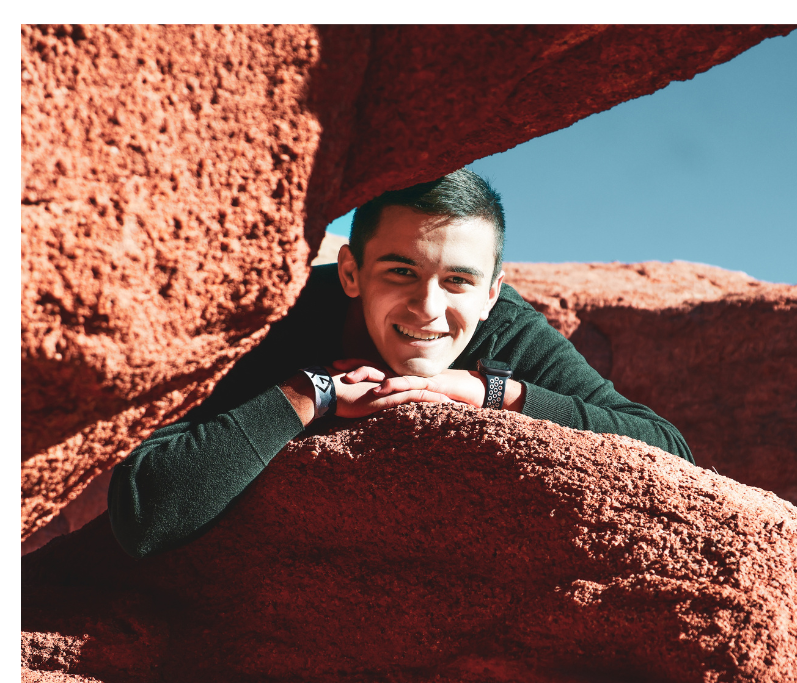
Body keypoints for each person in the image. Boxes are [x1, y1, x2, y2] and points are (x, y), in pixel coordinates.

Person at [109, 169, 694, 558]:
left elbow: (668, 450)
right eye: (400, 271)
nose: (428, 307)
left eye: (459, 281)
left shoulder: (507, 329)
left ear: (491, 294)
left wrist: (494, 393)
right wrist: (308, 394)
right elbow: (143, 512)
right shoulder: (282, 318)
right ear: (350, 273)